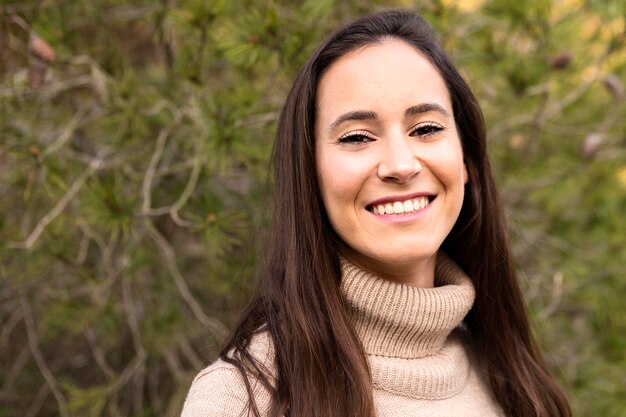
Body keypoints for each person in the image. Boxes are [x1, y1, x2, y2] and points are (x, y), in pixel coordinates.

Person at [181, 9, 571, 417]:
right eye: (357, 137)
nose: (401, 165)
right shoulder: (244, 397)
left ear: (467, 160)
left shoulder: (512, 378)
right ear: (308, 174)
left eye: (426, 128)